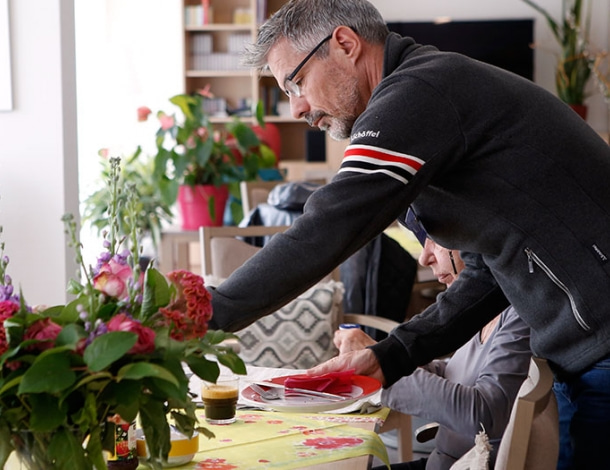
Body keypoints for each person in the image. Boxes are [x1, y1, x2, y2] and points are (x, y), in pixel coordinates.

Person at [208, 1, 610, 467]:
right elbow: (486, 277)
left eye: (295, 82)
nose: (296, 105)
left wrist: (209, 314)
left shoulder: (420, 91)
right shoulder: (431, 92)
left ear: (344, 44)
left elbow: (335, 219)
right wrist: (390, 357)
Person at [338, 234, 531, 470]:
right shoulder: (479, 311)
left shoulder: (520, 316)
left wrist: (382, 369)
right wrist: (382, 357)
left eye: (438, 241)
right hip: (441, 461)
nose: (424, 258)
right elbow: (455, 371)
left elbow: (484, 414)